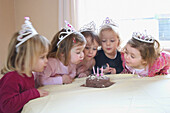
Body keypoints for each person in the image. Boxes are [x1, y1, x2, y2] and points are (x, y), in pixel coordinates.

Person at [0, 17, 50, 113]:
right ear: (26, 58)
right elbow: (6, 106)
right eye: (42, 57)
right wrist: (33, 93)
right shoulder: (12, 78)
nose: (46, 61)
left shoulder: (29, 74)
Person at [35, 21, 86, 86]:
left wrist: (71, 76)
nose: (82, 55)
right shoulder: (51, 63)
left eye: (83, 51)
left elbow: (73, 73)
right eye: (78, 52)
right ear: (63, 52)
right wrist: (61, 79)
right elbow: (42, 81)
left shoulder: (71, 61)